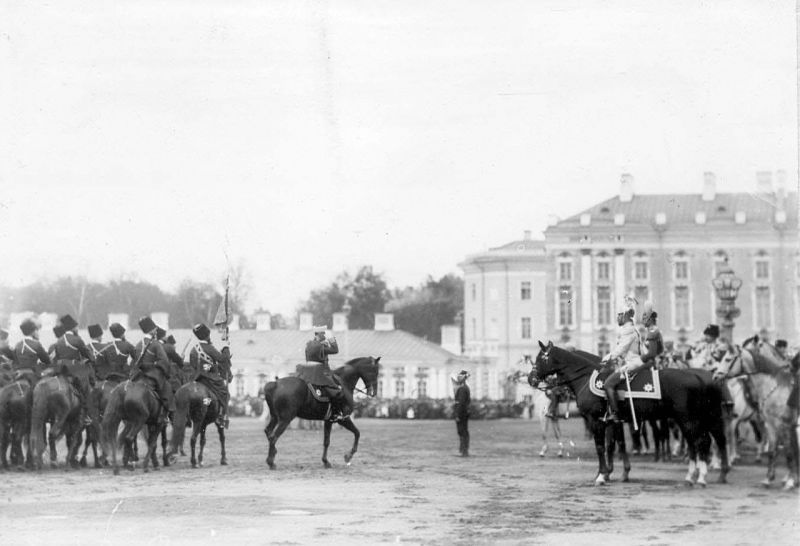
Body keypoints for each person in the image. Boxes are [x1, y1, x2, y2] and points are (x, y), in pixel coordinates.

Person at [602, 297, 644, 422]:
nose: (617, 318)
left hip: (632, 363)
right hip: (631, 361)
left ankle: (615, 413)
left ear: (626, 315)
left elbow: (620, 349)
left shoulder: (629, 330)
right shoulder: (630, 329)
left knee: (608, 384)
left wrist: (605, 358)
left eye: (619, 315)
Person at [298, 325, 352, 421]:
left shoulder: (310, 344)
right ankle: (336, 413)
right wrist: (331, 338)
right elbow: (335, 350)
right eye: (324, 333)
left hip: (307, 371)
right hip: (319, 372)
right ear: (319, 334)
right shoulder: (319, 346)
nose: (325, 335)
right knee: (337, 390)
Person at [52, 314, 95, 424]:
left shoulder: (59, 340)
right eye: (76, 326)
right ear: (73, 328)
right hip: (73, 368)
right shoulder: (77, 339)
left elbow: (56, 357)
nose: (77, 328)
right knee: (85, 387)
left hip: (60, 369)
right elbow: (89, 355)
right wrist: (88, 360)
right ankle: (85, 414)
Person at [190, 323, 232, 428]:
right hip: (211, 378)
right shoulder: (209, 348)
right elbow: (222, 359)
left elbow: (193, 365)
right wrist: (226, 348)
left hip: (197, 378)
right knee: (225, 394)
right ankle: (221, 417)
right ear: (207, 335)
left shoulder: (193, 349)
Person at [132, 316, 172, 423]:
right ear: (151, 330)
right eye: (155, 329)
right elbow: (164, 361)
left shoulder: (139, 344)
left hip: (139, 375)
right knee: (167, 389)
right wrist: (166, 373)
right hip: (153, 374)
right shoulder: (156, 344)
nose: (156, 330)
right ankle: (164, 415)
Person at [13, 319, 51, 386]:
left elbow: (15, 361)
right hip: (33, 374)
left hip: (19, 374)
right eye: (37, 330)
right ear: (33, 332)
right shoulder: (36, 344)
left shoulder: (17, 345)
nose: (37, 333)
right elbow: (46, 360)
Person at [640, 301, 664, 369]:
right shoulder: (651, 330)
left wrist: (640, 359)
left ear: (650, 319)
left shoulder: (652, 332)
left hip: (654, 364)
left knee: (632, 371)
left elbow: (652, 353)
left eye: (644, 318)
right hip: (652, 361)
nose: (642, 320)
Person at [452, 370, 471, 456]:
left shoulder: (462, 389)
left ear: (463, 378)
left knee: (462, 431)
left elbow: (460, 403)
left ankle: (464, 450)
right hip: (464, 412)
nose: (458, 378)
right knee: (463, 431)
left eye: (460, 376)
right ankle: (463, 449)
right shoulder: (464, 387)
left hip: (461, 413)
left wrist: (457, 414)